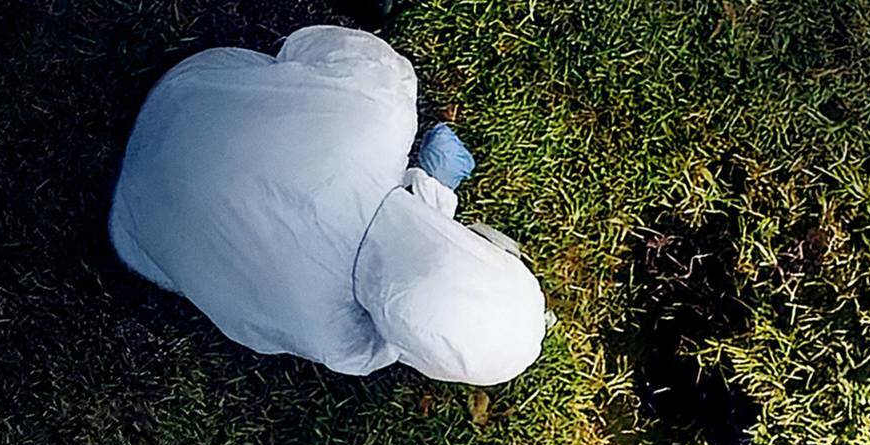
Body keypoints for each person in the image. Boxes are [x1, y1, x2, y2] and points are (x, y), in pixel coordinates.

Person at [108, 26, 548, 385]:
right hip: (141, 226)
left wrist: (431, 187)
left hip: (190, 95)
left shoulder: (382, 110)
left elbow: (308, 44)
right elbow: (399, 313)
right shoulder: (342, 341)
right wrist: (433, 192)